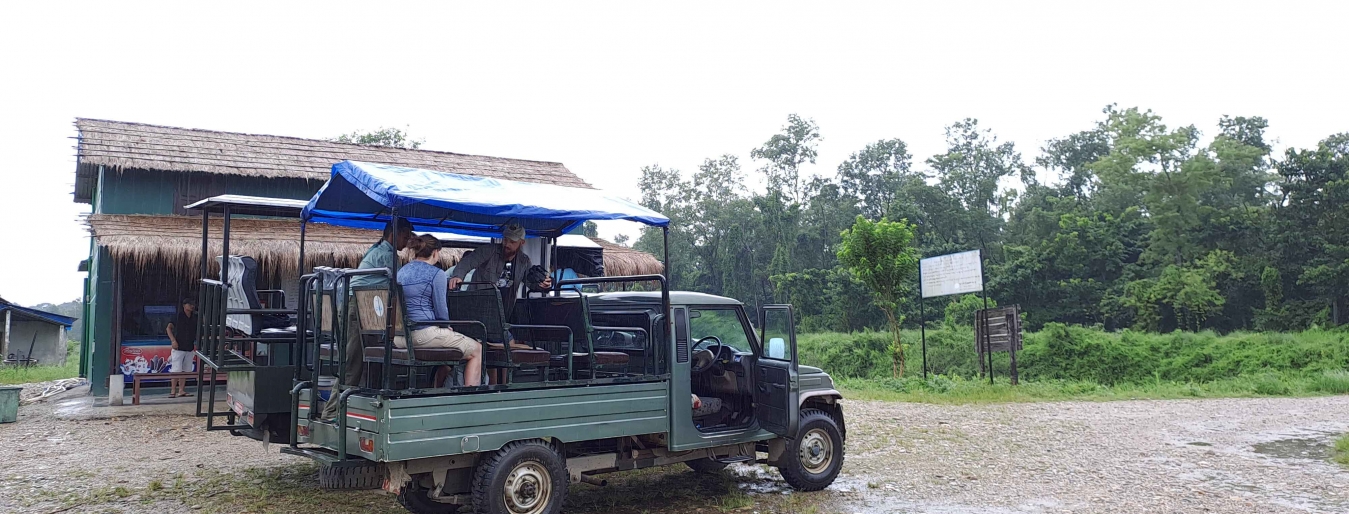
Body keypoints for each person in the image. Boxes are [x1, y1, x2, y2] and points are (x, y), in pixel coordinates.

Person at [322, 217, 414, 419]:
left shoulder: (379, 249)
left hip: (362, 308)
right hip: (357, 308)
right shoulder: (388, 256)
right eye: (405, 237)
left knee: (371, 358)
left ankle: (359, 408)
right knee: (352, 363)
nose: (407, 242)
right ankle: (331, 413)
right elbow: (400, 286)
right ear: (394, 233)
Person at [448, 222, 553, 383]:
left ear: (522, 242)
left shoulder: (524, 262)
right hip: (479, 312)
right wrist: (458, 276)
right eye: (505, 240)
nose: (507, 244)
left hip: (501, 316)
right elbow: (468, 262)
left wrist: (545, 285)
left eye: (512, 242)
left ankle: (501, 387)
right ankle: (496, 387)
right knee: (503, 347)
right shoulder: (489, 251)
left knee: (502, 354)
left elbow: (532, 283)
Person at [398, 235, 483, 387]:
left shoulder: (402, 272)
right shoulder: (437, 274)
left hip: (400, 339)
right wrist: (446, 326)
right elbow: (441, 312)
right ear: (436, 252)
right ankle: (471, 398)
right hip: (423, 336)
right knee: (477, 349)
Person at [165, 298, 198, 398]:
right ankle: (173, 391)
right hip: (178, 347)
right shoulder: (178, 316)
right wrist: (173, 340)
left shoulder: (194, 317)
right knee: (176, 369)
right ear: (184, 305)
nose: (191, 306)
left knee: (186, 370)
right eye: (189, 304)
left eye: (192, 304)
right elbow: (168, 328)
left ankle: (181, 390)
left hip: (189, 347)